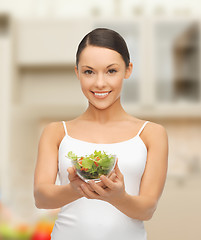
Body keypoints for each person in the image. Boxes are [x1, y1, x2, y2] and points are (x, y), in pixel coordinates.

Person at [33, 28, 168, 240]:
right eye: (89, 72)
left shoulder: (151, 134)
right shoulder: (56, 132)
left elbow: (147, 209)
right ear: (77, 72)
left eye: (111, 71)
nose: (100, 83)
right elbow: (41, 198)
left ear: (128, 70)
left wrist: (118, 196)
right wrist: (76, 188)